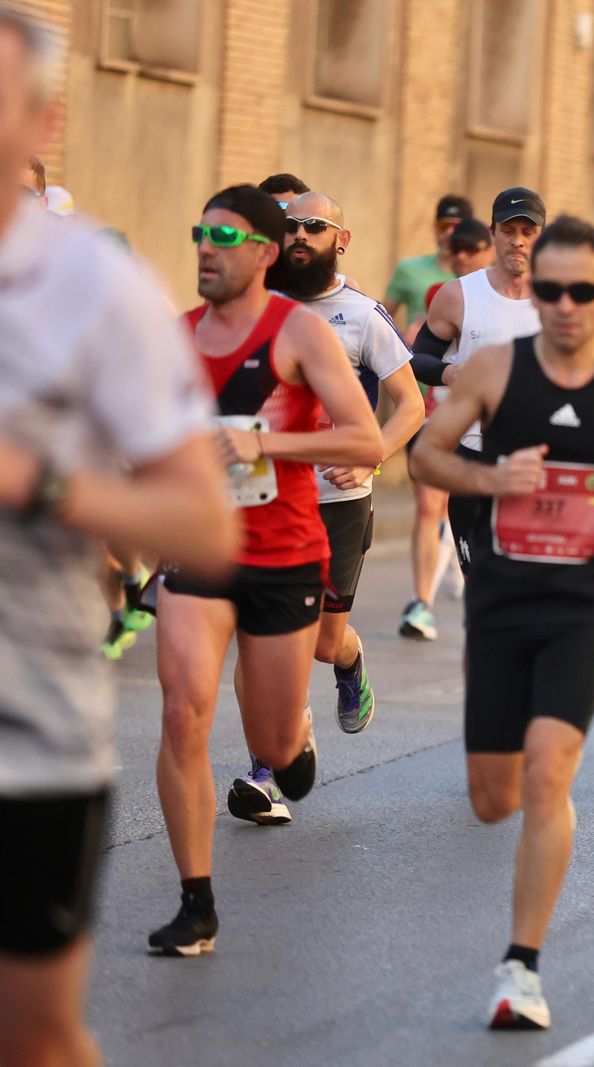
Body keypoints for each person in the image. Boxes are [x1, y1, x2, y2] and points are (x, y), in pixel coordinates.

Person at [0, 11, 235, 1061]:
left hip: (27, 736)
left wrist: (41, 483)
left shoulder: (96, 288)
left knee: (35, 1038)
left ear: (41, 118)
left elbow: (202, 522)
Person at [411, 215, 594, 1028]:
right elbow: (424, 454)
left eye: (582, 291)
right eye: (549, 290)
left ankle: (523, 968)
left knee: (548, 773)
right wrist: (491, 474)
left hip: (585, 598)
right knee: (491, 796)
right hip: (502, 596)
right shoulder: (494, 368)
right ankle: (520, 951)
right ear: (532, 292)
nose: (566, 305)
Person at [149, 184, 383, 956]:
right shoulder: (175, 336)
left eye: (224, 235)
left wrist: (268, 447)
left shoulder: (301, 334)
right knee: (184, 711)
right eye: (199, 234)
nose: (207, 249)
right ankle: (196, 903)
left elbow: (365, 442)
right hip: (202, 547)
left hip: (284, 554)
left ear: (264, 251)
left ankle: (293, 746)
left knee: (274, 743)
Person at [226, 190, 424, 826]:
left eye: (315, 226)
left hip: (338, 501)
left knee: (318, 641)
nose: (301, 235)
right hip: (265, 497)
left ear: (342, 239)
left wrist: (373, 456)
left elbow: (412, 405)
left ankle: (350, 658)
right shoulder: (261, 309)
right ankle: (265, 770)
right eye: (292, 227)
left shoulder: (362, 316)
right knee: (259, 638)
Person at [409, 187, 544, 575]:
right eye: (508, 230)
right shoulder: (459, 295)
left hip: (539, 460)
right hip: (474, 454)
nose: (517, 240)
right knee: (483, 587)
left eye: (528, 231)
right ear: (493, 233)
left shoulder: (561, 301)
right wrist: (450, 373)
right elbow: (418, 358)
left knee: (528, 585)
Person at [398, 217, 495, 642]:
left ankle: (469, 574)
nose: (463, 256)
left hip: (490, 436)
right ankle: (423, 602)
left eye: (471, 248)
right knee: (427, 508)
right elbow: (415, 354)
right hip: (439, 424)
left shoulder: (525, 297)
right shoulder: (444, 296)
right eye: (456, 249)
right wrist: (447, 371)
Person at [383, 193, 472, 327]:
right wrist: (402, 342)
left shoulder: (486, 274)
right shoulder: (408, 268)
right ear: (435, 228)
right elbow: (382, 319)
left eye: (456, 227)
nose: (449, 233)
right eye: (444, 226)